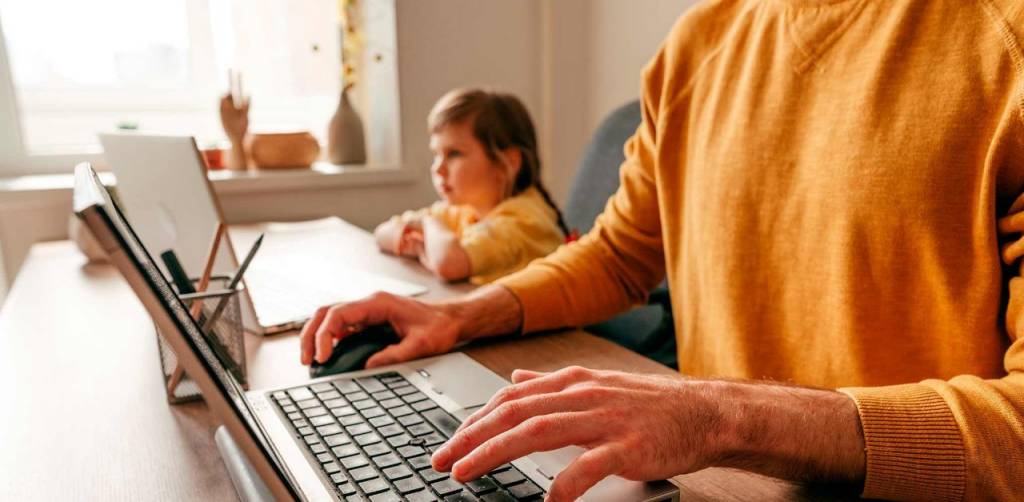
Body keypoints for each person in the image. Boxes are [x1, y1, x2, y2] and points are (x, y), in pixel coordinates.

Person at [301, 1, 1024, 500]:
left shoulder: (1004, 42)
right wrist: (462, 317)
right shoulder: (698, 43)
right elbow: (619, 253)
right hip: (702, 485)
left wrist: (721, 415)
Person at [373, 88, 568, 284]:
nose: (437, 169)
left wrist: (428, 224)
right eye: (436, 154)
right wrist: (423, 248)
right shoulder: (465, 210)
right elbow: (382, 232)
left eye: (454, 154)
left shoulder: (524, 222)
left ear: (506, 163)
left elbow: (448, 263)